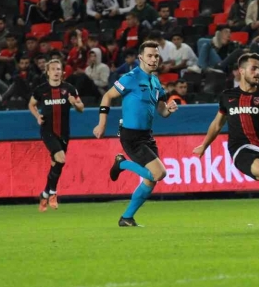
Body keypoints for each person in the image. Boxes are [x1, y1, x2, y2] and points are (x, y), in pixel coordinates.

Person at [193, 53, 259, 231]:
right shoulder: (227, 96)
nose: (258, 72)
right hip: (240, 148)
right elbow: (217, 124)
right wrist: (204, 145)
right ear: (241, 71)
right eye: (254, 68)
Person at [92, 40, 179, 227]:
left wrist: (169, 109)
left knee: (150, 180)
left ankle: (126, 218)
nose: (153, 59)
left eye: (156, 55)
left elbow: (162, 112)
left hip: (147, 136)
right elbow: (107, 96)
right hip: (131, 136)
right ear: (140, 58)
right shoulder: (131, 77)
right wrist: (101, 124)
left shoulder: (156, 82)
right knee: (159, 173)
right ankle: (122, 163)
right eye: (149, 55)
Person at [27, 59, 84, 212]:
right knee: (61, 158)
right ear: (48, 72)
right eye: (53, 69)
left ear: (62, 72)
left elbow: (81, 108)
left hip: (64, 132)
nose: (56, 71)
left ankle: (44, 193)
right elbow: (31, 104)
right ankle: (53, 193)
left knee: (56, 163)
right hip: (48, 131)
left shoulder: (69, 89)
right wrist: (37, 116)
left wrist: (75, 103)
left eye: (59, 69)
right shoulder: (41, 90)